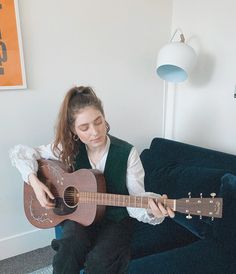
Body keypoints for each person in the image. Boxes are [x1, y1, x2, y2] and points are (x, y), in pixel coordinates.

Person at [10, 86, 175, 274]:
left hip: (116, 219)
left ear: (105, 118)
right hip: (79, 214)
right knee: (69, 248)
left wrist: (153, 211)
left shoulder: (127, 153)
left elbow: (136, 199)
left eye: (98, 122)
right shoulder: (67, 147)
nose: (95, 132)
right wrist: (35, 182)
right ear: (73, 130)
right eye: (84, 127)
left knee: (100, 262)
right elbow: (21, 153)